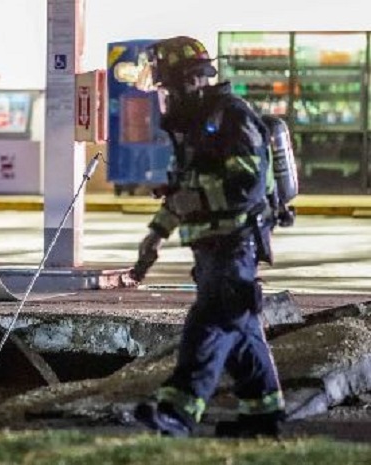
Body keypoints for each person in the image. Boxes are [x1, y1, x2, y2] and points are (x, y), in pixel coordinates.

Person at [126, 36, 285, 438]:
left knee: (209, 323)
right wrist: (155, 235)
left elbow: (248, 186)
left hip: (236, 242)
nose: (167, 98)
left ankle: (177, 412)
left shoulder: (231, 117)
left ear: (192, 80)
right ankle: (263, 415)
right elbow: (184, 191)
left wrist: (195, 199)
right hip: (212, 247)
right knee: (240, 329)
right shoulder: (195, 127)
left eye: (169, 88)